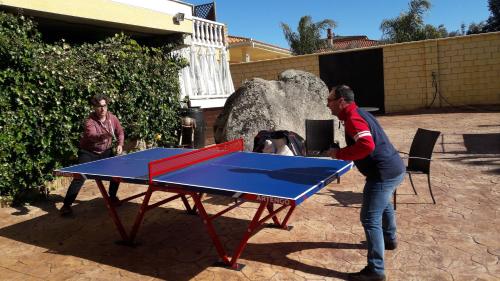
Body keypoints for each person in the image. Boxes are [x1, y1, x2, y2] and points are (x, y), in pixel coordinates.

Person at [326, 85, 405, 281]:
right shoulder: (358, 113)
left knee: (370, 219)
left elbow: (366, 145)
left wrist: (339, 154)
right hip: (394, 169)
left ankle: (376, 270)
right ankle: (390, 239)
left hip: (382, 174)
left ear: (341, 101)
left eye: (330, 100)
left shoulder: (353, 118)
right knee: (385, 205)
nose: (327, 105)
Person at [59, 94, 125, 216]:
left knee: (117, 172)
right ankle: (66, 206)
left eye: (104, 106)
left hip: (106, 152)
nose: (102, 109)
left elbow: (120, 132)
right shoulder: (90, 121)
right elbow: (92, 137)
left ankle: (112, 197)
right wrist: (105, 135)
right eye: (99, 106)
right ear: (94, 107)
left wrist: (120, 144)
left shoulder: (113, 118)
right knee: (80, 177)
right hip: (88, 153)